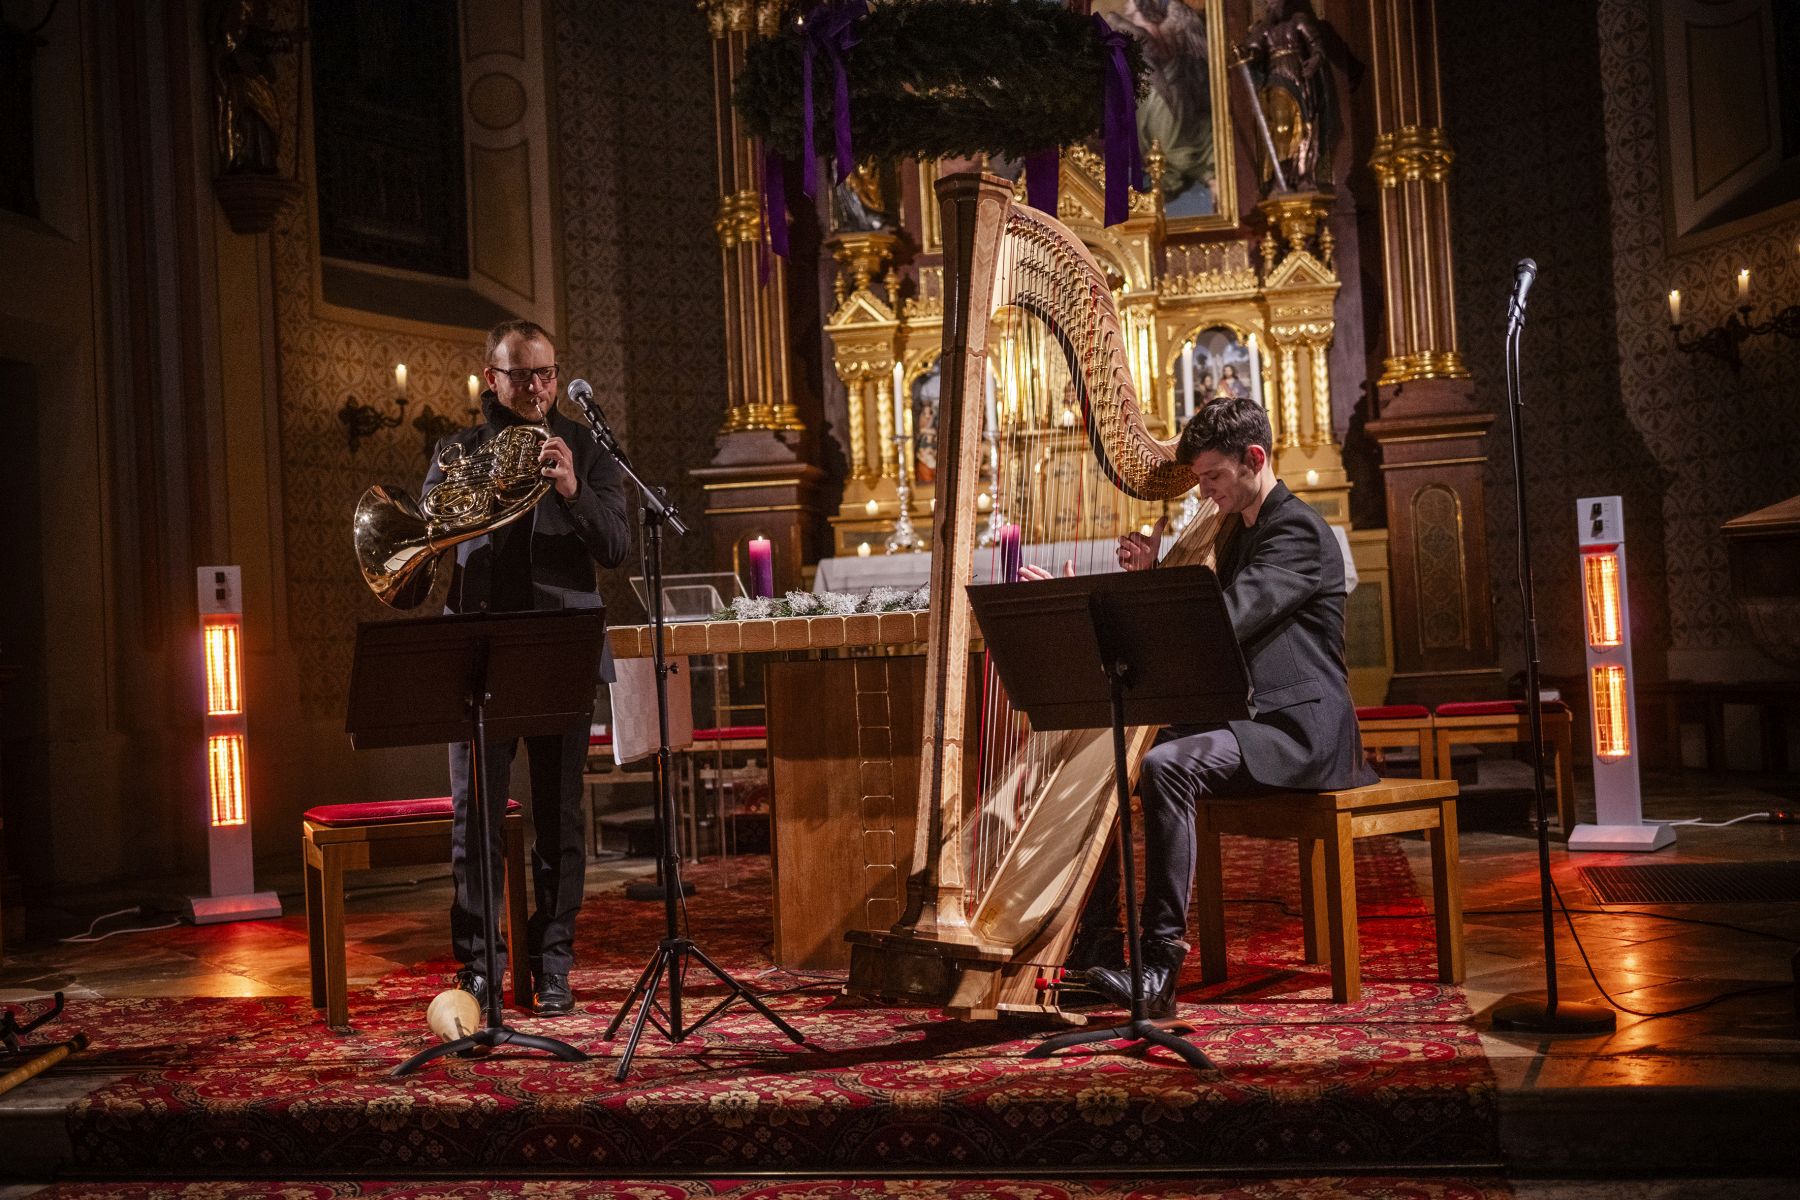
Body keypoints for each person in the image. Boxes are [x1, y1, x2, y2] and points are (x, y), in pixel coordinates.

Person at [1035, 395, 1373, 1017]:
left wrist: (1128, 599)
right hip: (1246, 718)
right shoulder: (1235, 529)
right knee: (1114, 758)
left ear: (1255, 459)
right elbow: (1197, 621)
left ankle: (1159, 969)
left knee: (1166, 765)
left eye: (1214, 477)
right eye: (1199, 480)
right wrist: (1151, 575)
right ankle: (1095, 946)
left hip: (1297, 727)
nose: (1205, 492)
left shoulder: (1295, 529)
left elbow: (1221, 624)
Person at [425, 319, 632, 1016]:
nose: (537, 387)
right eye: (521, 376)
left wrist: (573, 491)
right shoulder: (455, 452)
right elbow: (426, 552)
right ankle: (480, 966)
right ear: (492, 378)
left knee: (560, 818)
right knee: (473, 818)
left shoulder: (584, 449)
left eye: (545, 373)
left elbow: (616, 547)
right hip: (477, 652)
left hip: (559, 649)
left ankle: (553, 964)